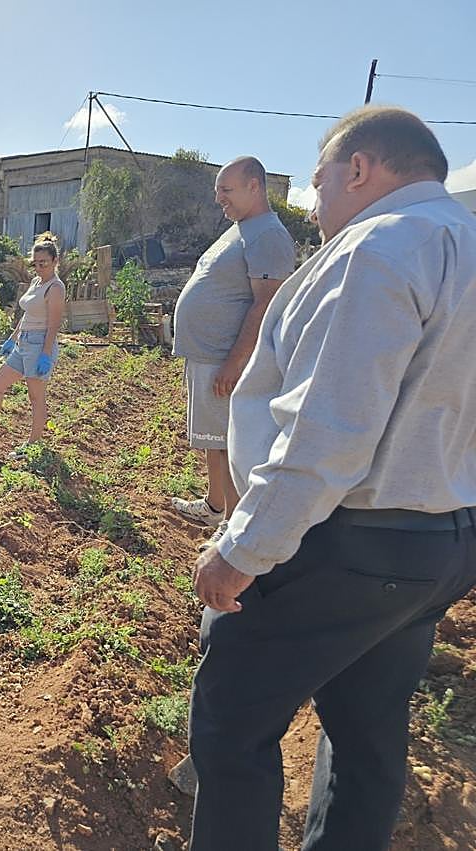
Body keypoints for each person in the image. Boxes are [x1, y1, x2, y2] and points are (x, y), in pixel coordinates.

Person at [188, 106, 476, 851]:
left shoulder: (376, 250)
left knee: (231, 726)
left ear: (359, 170)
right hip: (438, 543)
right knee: (368, 738)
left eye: (317, 181)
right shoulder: (464, 242)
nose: (313, 203)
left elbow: (329, 432)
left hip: (346, 541)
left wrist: (243, 548)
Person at [170, 157, 296, 550]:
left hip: (225, 358)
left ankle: (232, 521)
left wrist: (235, 362)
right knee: (213, 437)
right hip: (208, 354)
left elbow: (265, 304)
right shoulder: (241, 230)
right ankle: (214, 504)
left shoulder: (269, 236)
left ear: (254, 186)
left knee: (231, 441)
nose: (219, 198)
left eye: (226, 190)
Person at [0, 235, 65, 455]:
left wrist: (46, 354)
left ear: (55, 261)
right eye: (35, 263)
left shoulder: (55, 288)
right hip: (24, 342)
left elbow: (54, 324)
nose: (38, 267)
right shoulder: (37, 282)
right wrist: (13, 338)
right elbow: (27, 314)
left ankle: (33, 445)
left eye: (43, 263)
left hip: (39, 345)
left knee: (36, 397)